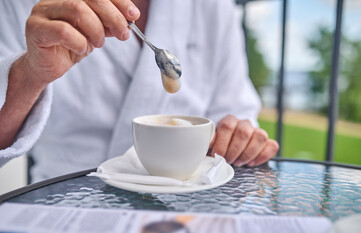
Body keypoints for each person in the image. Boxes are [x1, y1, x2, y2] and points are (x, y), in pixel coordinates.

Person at [0, 0, 279, 183]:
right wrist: (30, 74)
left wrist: (240, 138)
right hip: (65, 204)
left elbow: (235, 113)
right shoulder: (21, 5)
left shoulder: (213, 6)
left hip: (187, 209)